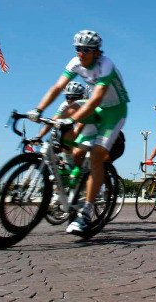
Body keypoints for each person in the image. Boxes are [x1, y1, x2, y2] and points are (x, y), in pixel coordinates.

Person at [30, 29, 130, 235]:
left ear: (96, 52)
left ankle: (86, 212)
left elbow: (95, 99)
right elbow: (57, 88)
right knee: (70, 111)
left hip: (115, 110)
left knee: (96, 156)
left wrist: (72, 121)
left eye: (86, 50)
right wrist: (38, 110)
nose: (81, 54)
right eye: (78, 49)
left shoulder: (106, 65)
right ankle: (72, 179)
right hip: (97, 107)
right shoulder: (74, 63)